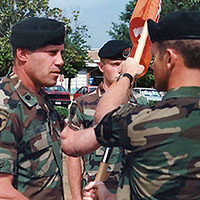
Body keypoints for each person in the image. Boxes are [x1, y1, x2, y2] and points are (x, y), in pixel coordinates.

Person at [61, 10, 200, 200]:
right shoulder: (83, 103)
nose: (150, 66)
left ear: (169, 58)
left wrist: (127, 76)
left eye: (155, 57)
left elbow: (104, 118)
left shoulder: (145, 120)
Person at [66, 40, 148, 199]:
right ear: (101, 66)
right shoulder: (83, 103)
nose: (121, 69)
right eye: (115, 64)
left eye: (124, 64)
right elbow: (72, 155)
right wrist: (76, 197)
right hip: (94, 188)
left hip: (130, 190)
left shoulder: (140, 102)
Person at [0, 17, 66, 199]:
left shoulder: (38, 98)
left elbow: (69, 140)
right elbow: (2, 192)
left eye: (61, 53)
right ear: (22, 54)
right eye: (52, 53)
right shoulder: (6, 104)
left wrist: (113, 124)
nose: (60, 61)